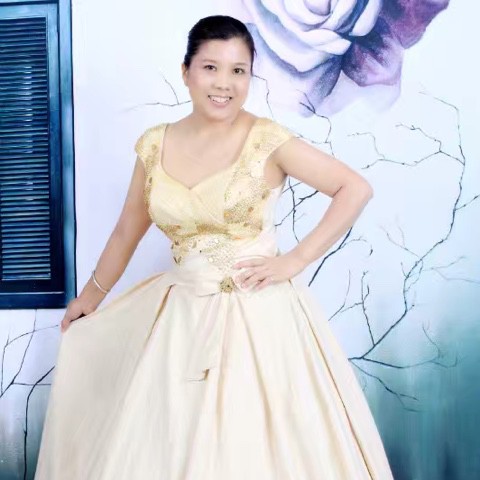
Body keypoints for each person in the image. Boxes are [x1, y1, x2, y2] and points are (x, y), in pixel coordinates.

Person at [34, 15, 394, 480]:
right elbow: (127, 230)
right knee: (168, 441)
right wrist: (89, 298)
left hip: (258, 316)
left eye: (238, 70)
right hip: (181, 317)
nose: (224, 83)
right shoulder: (154, 145)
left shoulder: (267, 140)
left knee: (253, 445)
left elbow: (354, 188)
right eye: (210, 67)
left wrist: (294, 261)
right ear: (186, 71)